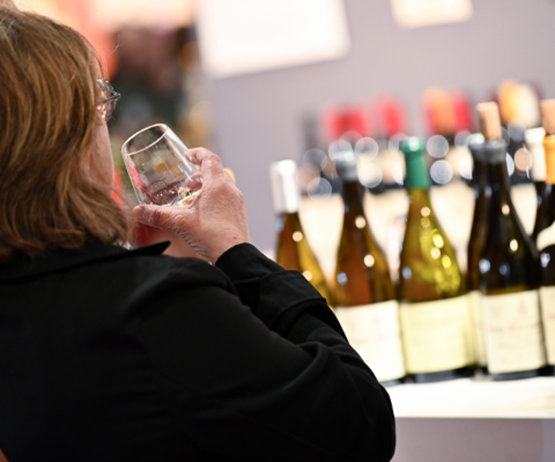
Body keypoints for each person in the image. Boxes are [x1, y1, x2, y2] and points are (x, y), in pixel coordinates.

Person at [0, 5, 396, 462]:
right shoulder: (153, 308)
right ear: (62, 138)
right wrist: (235, 249)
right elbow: (359, 424)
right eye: (99, 106)